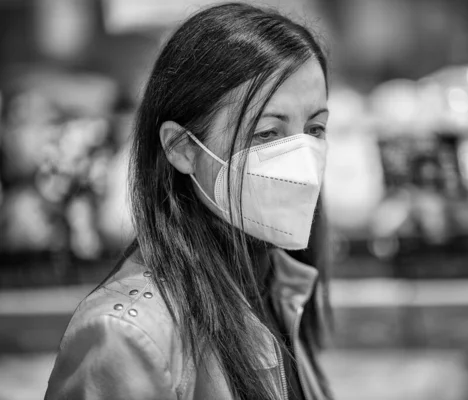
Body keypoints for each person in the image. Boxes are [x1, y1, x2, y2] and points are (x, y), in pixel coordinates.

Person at [44, 3, 332, 399]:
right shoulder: (125, 336)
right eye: (267, 133)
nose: (302, 158)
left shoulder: (279, 283)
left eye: (315, 128)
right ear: (181, 147)